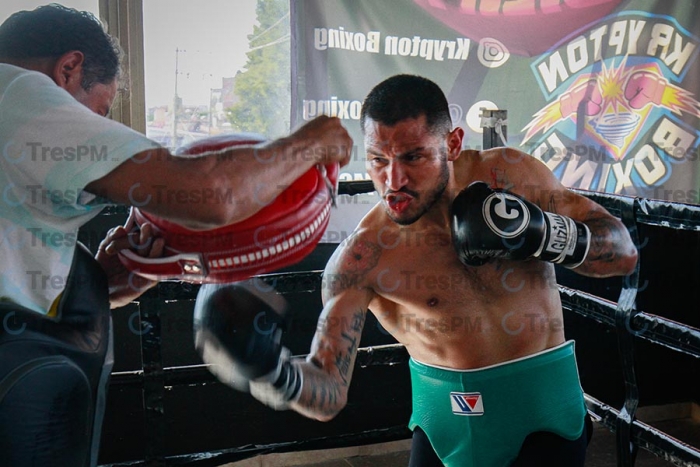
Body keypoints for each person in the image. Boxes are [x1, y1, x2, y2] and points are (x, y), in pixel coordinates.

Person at [194, 74, 638, 466]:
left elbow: (623, 252)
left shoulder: (512, 176)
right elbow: (328, 392)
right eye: (378, 160)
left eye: (412, 157)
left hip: (544, 418)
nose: (394, 180)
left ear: (452, 143)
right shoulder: (361, 258)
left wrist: (544, 234)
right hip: (444, 426)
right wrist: (270, 372)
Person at [0, 4, 351, 467]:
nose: (102, 127)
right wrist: (312, 141)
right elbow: (211, 194)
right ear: (68, 69)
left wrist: (97, 281)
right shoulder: (18, 91)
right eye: (100, 111)